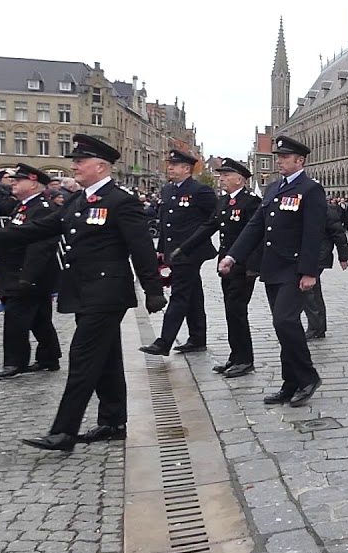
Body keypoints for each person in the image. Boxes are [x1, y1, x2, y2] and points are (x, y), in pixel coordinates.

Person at [0, 134, 167, 451]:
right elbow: (41, 228)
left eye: (80, 161)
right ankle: (112, 422)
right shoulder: (78, 200)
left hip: (106, 292)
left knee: (82, 359)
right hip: (84, 291)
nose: (75, 166)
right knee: (106, 359)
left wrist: (153, 289)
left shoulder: (120, 201)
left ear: (100, 166)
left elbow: (141, 247)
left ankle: (64, 431)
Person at [220, 136, 330, 407]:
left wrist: (310, 272)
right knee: (283, 327)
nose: (279, 161)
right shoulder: (273, 189)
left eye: (285, 157)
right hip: (273, 268)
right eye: (278, 156)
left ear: (300, 161)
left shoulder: (310, 189)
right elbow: (256, 226)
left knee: (285, 321)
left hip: (295, 268)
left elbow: (313, 233)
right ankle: (289, 383)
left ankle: (308, 377)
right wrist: (233, 255)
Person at [173, 158, 262, 377]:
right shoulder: (223, 202)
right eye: (220, 175)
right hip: (226, 266)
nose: (221, 179)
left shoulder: (251, 202)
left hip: (243, 266)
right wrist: (184, 248)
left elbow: (257, 236)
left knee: (237, 311)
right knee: (230, 311)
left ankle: (245, 359)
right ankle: (235, 356)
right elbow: (208, 227)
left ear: (239, 179)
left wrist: (252, 267)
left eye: (226, 175)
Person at [141, 150, 218, 356]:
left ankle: (164, 341)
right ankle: (197, 337)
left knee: (180, 294)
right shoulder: (167, 190)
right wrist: (161, 251)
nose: (170, 168)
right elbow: (165, 223)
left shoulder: (200, 191)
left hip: (190, 252)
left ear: (186, 169)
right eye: (170, 165)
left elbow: (214, 218)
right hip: (172, 250)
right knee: (193, 294)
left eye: (174, 165)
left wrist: (195, 240)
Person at [0, 163, 62, 380]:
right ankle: (49, 357)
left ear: (33, 184)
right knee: (39, 318)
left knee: (16, 317)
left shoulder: (42, 208)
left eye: (19, 180)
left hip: (28, 272)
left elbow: (41, 246)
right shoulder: (24, 206)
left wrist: (28, 276)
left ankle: (14, 362)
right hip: (19, 270)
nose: (13, 183)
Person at [302, 192, 348, 340]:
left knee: (309, 291)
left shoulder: (327, 210)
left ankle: (315, 327)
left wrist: (344, 257)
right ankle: (318, 327)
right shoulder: (305, 208)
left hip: (319, 255)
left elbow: (339, 235)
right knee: (312, 291)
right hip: (308, 254)